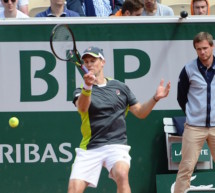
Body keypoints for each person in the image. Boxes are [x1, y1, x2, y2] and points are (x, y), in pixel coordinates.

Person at [67, 46, 171, 193]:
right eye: (86, 62)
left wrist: (155, 99)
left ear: (102, 62)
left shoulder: (120, 87)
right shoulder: (80, 90)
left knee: (122, 174)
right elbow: (83, 108)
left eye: (93, 60)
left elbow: (141, 113)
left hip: (116, 145)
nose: (89, 64)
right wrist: (87, 87)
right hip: (90, 147)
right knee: (74, 189)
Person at [174, 31, 215, 193]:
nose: (202, 52)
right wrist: (193, 114)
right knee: (185, 169)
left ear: (212, 46)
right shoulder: (188, 69)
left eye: (205, 48)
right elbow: (181, 97)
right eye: (198, 49)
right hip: (194, 128)